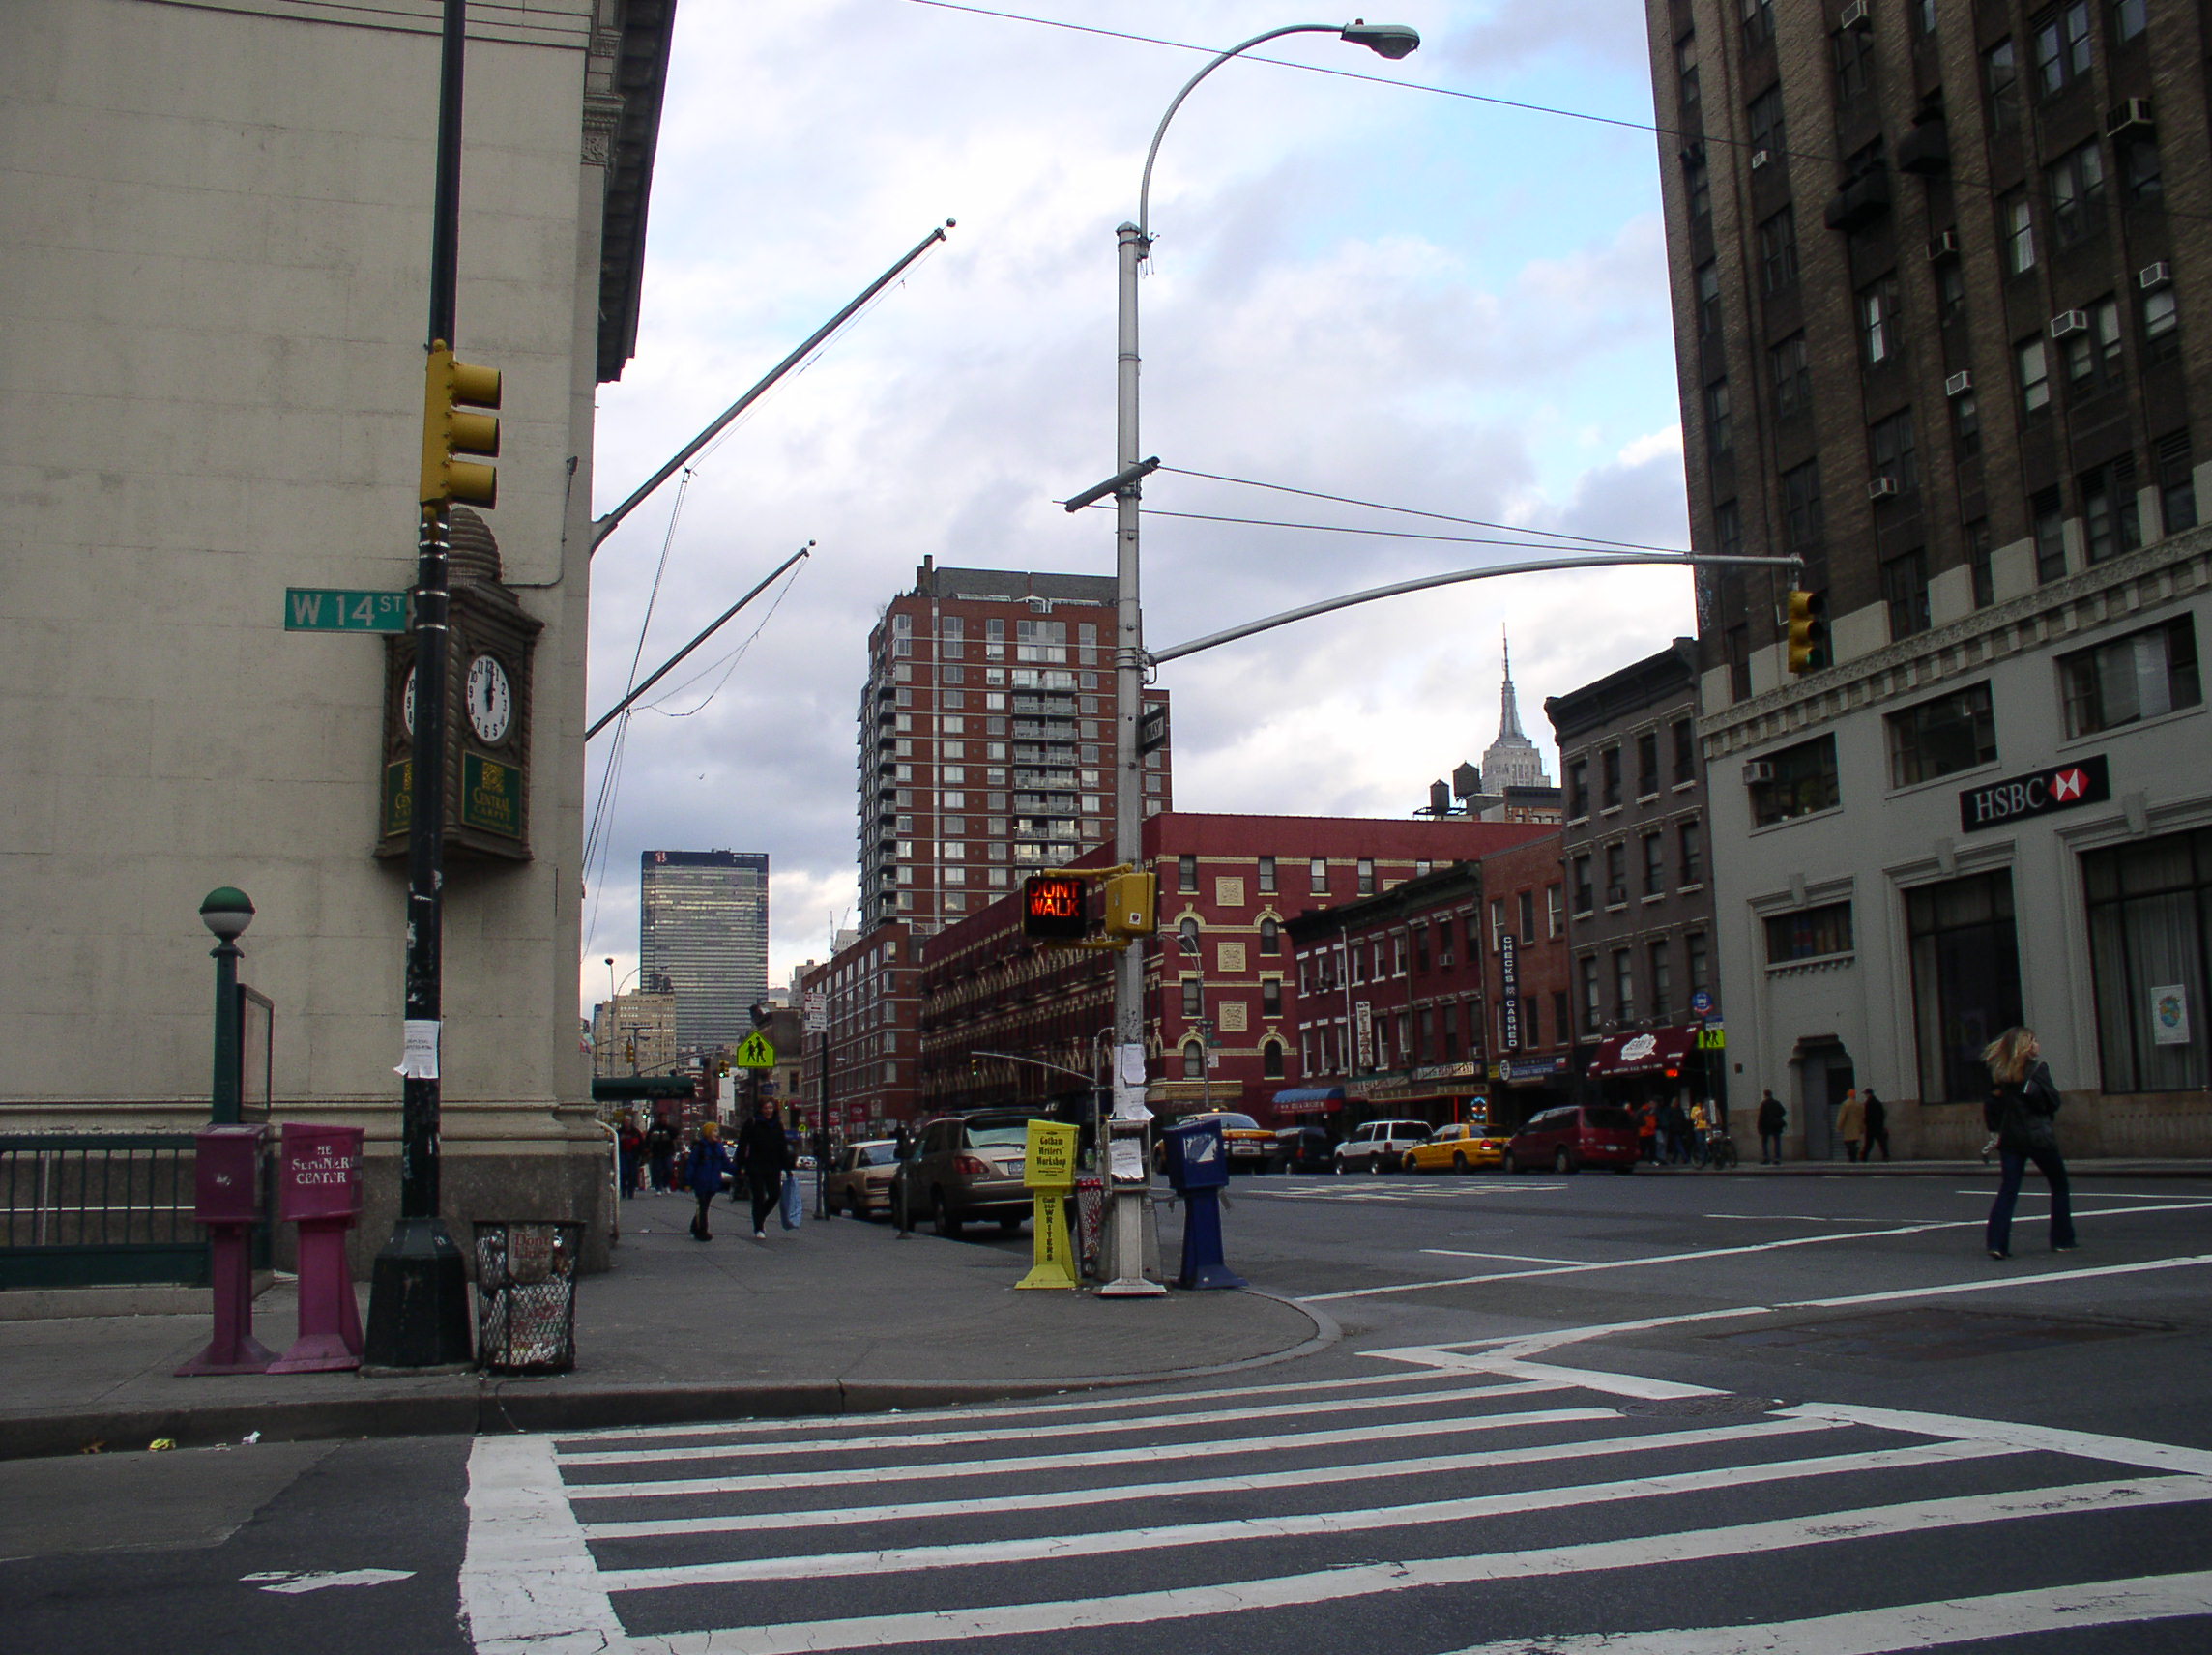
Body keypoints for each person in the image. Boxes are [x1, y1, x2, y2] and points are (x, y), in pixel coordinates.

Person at [1983, 1026, 2076, 1261]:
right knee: (2059, 1184)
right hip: (2037, 1136)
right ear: (2025, 1046)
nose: (2037, 1045)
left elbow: (1991, 1107)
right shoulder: (2037, 1070)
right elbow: (2052, 1102)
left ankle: (1997, 1243)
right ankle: (2062, 1239)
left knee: (2009, 1189)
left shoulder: (2000, 1074)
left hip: (2011, 1139)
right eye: (2033, 1041)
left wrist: (1996, 1130)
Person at [736, 1095, 794, 1240]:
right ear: (760, 1109)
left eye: (770, 1108)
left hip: (773, 1166)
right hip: (755, 1165)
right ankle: (759, 1227)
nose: (768, 1111)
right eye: (765, 1108)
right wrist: (740, 1164)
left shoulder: (777, 1125)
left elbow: (782, 1147)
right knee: (758, 1196)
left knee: (774, 1194)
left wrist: (787, 1167)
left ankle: (759, 1216)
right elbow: (743, 1144)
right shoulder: (753, 1123)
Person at [686, 1121, 734, 1241]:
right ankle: (702, 1231)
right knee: (702, 1206)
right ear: (707, 1133)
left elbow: (726, 1164)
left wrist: (737, 1171)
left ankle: (694, 1227)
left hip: (712, 1183)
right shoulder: (700, 1148)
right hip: (701, 1182)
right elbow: (691, 1165)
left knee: (704, 1206)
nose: (717, 1133)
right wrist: (688, 1182)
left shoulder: (719, 1148)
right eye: (714, 1131)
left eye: (717, 1131)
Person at [616, 1116, 645, 1199]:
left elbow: (641, 1144)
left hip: (633, 1155)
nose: (627, 1123)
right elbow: (615, 1142)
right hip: (623, 1154)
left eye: (628, 1121)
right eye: (625, 1121)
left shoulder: (635, 1132)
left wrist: (641, 1155)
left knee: (632, 1174)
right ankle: (623, 1189)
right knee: (623, 1172)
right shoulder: (619, 1132)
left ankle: (631, 1191)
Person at [646, 1118, 677, 1195]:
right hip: (657, 1153)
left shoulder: (669, 1129)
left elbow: (675, 1134)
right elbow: (648, 1139)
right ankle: (658, 1188)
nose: (664, 1120)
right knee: (657, 1171)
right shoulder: (654, 1129)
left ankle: (666, 1184)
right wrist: (648, 1150)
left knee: (669, 1169)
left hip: (667, 1153)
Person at [1835, 1088, 1866, 1162]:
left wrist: (1839, 1126)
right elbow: (1863, 1117)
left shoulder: (1846, 1104)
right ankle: (1853, 1157)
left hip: (1848, 1128)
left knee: (1848, 1143)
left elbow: (1842, 1117)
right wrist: (1862, 1128)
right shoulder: (1859, 1105)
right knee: (1854, 1142)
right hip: (1857, 1128)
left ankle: (1853, 1155)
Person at [1757, 1090, 1787, 1165]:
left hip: (1766, 1125)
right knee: (1777, 1141)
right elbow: (1783, 1112)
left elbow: (1761, 1116)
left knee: (1765, 1142)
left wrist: (1759, 1126)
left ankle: (1766, 1158)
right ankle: (1777, 1158)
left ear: (1765, 1095)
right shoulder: (1776, 1103)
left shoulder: (1764, 1104)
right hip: (1776, 1125)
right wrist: (1777, 1116)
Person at [1861, 1088, 1891, 1161]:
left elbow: (1868, 1115)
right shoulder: (1878, 1103)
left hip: (1871, 1127)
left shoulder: (1868, 1103)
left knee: (1868, 1144)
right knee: (1882, 1142)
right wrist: (1881, 1124)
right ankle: (1886, 1156)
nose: (1865, 1095)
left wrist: (1866, 1122)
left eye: (1866, 1094)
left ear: (1868, 1094)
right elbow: (1882, 1114)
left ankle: (1864, 1157)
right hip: (1878, 1126)